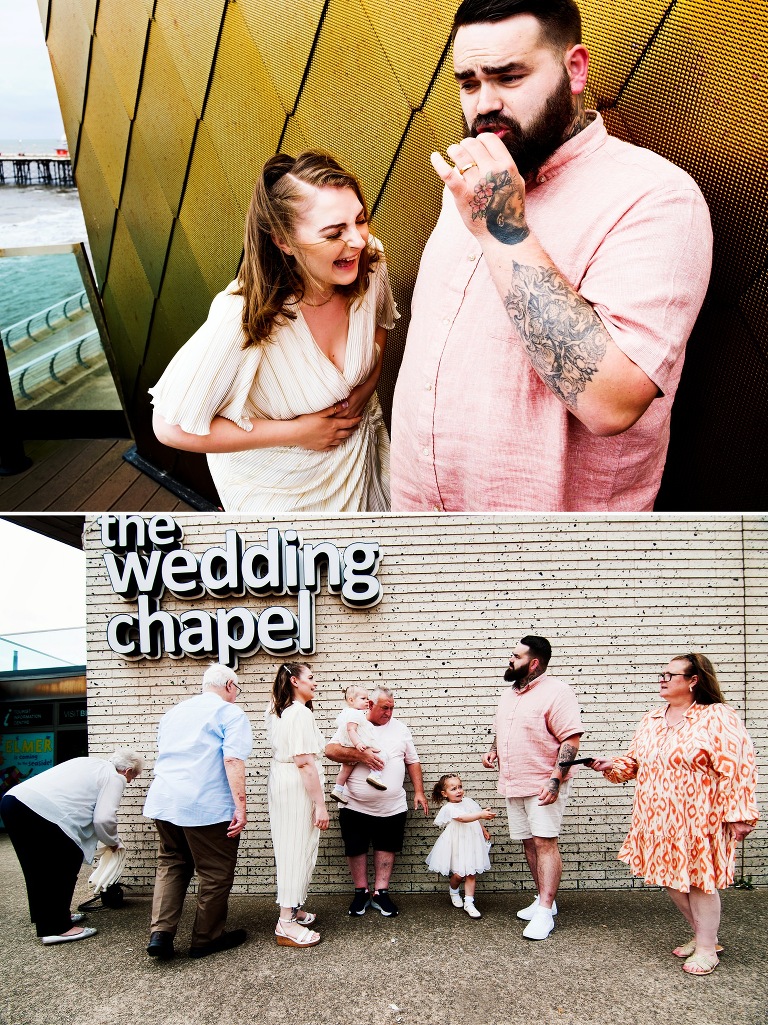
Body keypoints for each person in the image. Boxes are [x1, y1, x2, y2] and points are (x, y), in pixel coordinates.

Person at [390, 0, 713, 512]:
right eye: (469, 83)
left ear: (575, 69)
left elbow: (611, 401)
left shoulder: (655, 198)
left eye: (509, 77)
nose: (483, 104)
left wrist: (503, 231)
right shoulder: (475, 178)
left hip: (549, 569)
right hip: (419, 529)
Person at [150, 149, 398, 513]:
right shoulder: (242, 314)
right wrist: (299, 432)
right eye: (335, 232)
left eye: (360, 220)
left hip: (360, 460)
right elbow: (168, 428)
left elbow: (379, 322)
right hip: (276, 490)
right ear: (283, 240)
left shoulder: (369, 262)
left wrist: (368, 382)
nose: (358, 240)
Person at [589, 653, 759, 976]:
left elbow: (738, 766)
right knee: (669, 878)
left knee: (700, 882)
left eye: (671, 674)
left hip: (701, 818)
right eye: (661, 673)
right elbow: (636, 764)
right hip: (656, 817)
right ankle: (703, 935)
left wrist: (739, 813)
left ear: (694, 680)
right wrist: (613, 765)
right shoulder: (652, 719)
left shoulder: (717, 717)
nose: (663, 679)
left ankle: (708, 948)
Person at [143, 663, 253, 960]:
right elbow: (232, 760)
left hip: (165, 801)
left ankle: (161, 934)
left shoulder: (174, 713)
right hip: (205, 805)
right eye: (237, 689)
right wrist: (241, 808)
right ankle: (206, 938)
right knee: (215, 874)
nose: (236, 695)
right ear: (230, 685)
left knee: (172, 864)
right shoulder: (230, 713)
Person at [482, 635, 583, 939]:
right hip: (514, 783)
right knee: (528, 843)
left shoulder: (558, 692)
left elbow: (571, 739)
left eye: (516, 656)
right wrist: (494, 749)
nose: (510, 660)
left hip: (543, 783)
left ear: (534, 662)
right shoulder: (510, 694)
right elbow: (506, 728)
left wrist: (555, 780)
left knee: (544, 843)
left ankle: (544, 913)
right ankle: (544, 902)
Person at [0, 748, 142, 945]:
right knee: (64, 865)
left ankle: (51, 917)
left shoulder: (89, 763)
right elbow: (103, 819)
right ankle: (56, 927)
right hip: (43, 812)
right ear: (127, 771)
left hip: (14, 801)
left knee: (36, 868)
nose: (130, 782)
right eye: (133, 776)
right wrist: (113, 843)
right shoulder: (114, 777)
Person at [325, 687, 429, 917]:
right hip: (354, 805)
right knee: (356, 848)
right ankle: (361, 892)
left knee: (387, 847)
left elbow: (413, 761)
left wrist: (419, 792)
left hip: (392, 807)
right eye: (385, 708)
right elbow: (330, 750)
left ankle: (380, 893)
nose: (389, 713)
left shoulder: (401, 729)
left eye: (392, 708)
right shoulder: (355, 723)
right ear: (370, 705)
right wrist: (362, 755)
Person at [266, 662, 329, 947]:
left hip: (283, 783)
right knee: (295, 849)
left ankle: (293, 907)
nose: (315, 683)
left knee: (292, 846)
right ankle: (285, 923)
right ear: (294, 681)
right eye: (311, 678)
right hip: (296, 788)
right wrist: (320, 804)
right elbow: (304, 762)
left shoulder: (277, 710)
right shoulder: (300, 714)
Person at [425, 772, 496, 918]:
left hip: (472, 841)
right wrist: (481, 815)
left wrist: (483, 829)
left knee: (471, 872)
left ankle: (469, 902)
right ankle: (454, 891)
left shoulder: (468, 802)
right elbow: (463, 818)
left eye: (460, 787)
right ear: (444, 793)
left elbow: (474, 817)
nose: (458, 791)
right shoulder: (449, 808)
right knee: (458, 874)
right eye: (453, 789)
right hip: (457, 842)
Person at [331, 684, 387, 804]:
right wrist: (358, 743)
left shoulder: (346, 712)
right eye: (363, 698)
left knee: (346, 769)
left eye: (367, 698)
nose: (367, 701)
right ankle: (375, 775)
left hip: (348, 744)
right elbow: (351, 729)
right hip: (358, 743)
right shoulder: (355, 713)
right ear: (351, 700)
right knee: (381, 754)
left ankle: (338, 789)